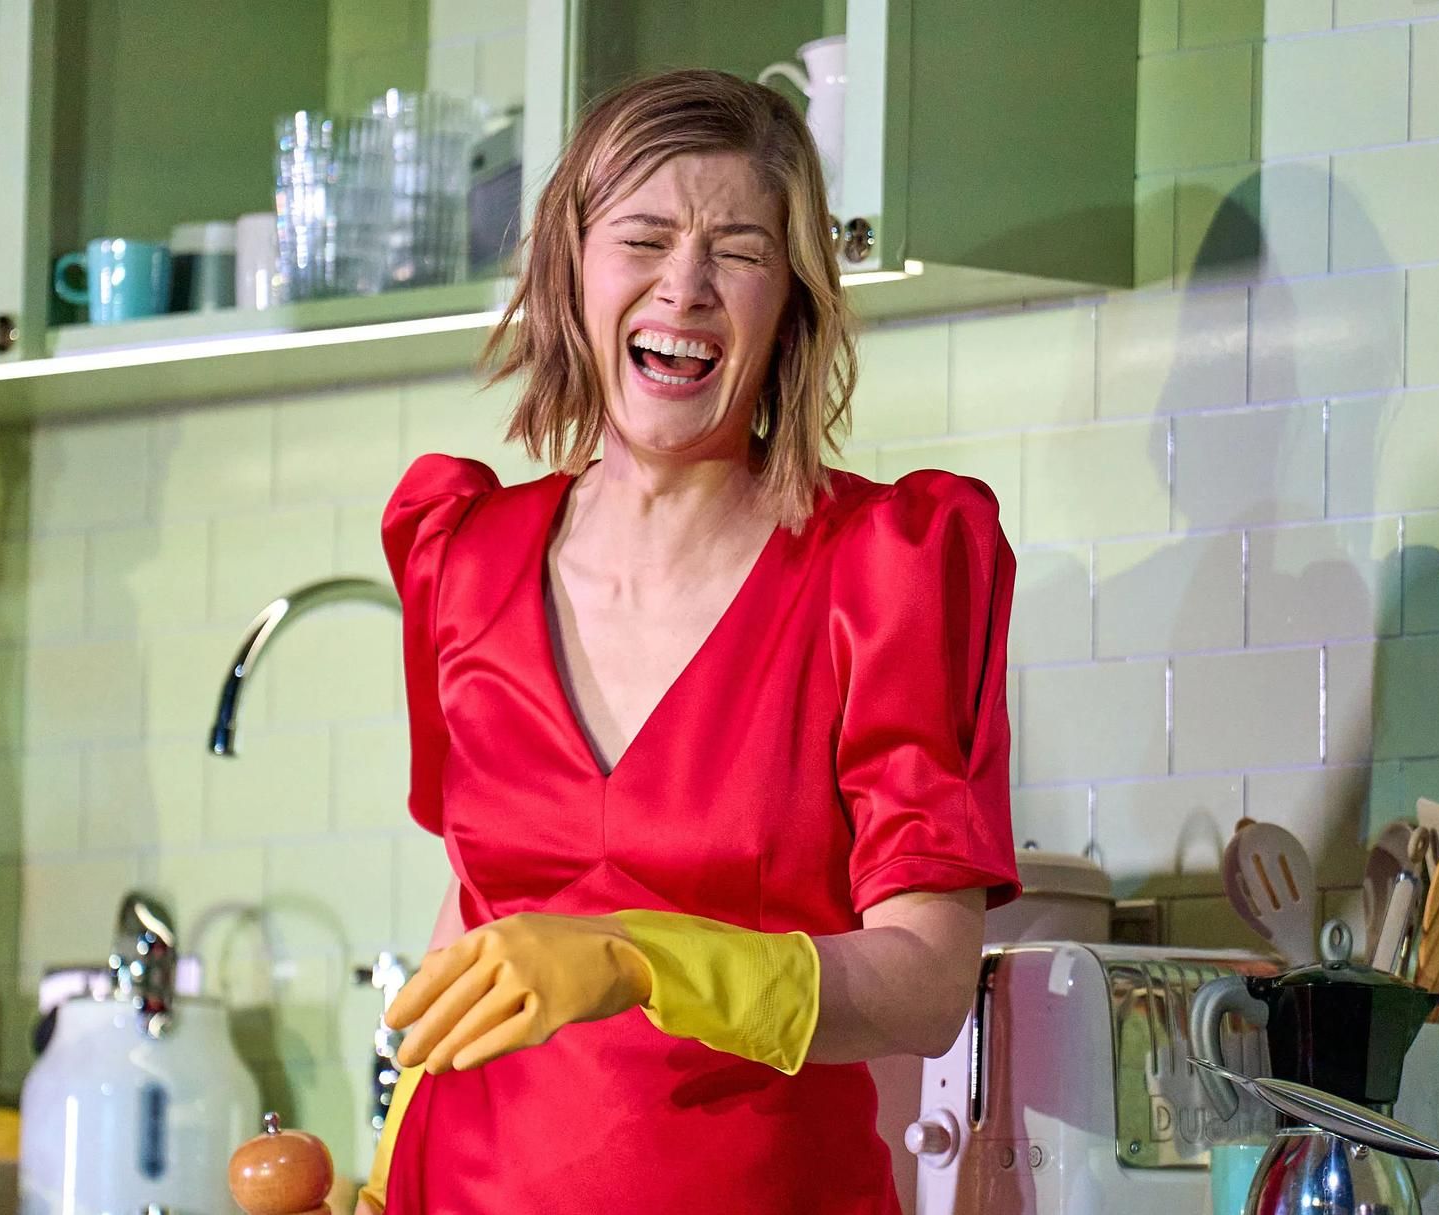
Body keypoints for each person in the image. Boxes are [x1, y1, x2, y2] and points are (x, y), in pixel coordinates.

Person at [363, 67, 1019, 1215]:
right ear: (571, 269)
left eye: (739, 251)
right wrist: (378, 1178)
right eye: (644, 239)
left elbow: (927, 983)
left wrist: (642, 961)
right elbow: (472, 921)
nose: (685, 287)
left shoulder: (886, 569)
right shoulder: (461, 558)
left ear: (792, 301)